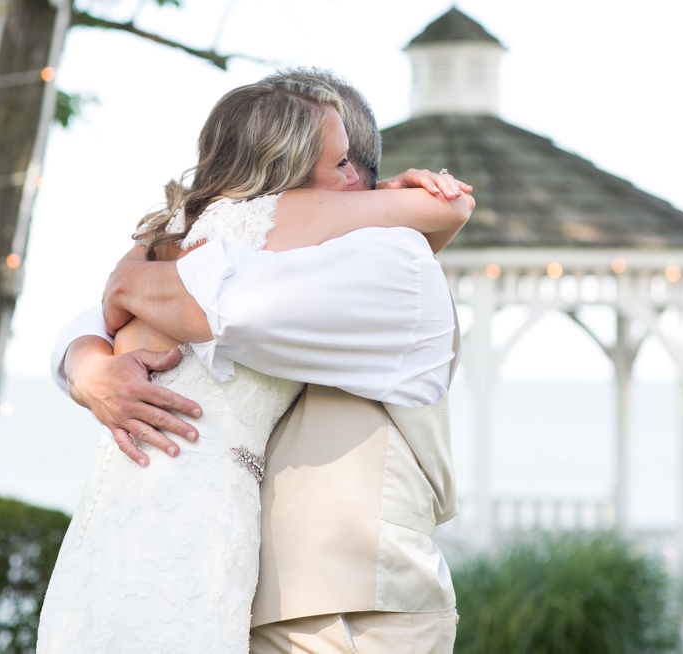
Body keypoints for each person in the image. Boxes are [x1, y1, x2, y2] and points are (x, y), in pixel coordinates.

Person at [38, 75, 472, 654]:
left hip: (353, 605)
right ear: (286, 175)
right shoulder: (223, 253)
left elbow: (228, 310)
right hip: (213, 544)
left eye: (351, 165)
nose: (348, 182)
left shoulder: (386, 256)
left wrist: (123, 286)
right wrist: (84, 361)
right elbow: (204, 304)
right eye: (335, 163)